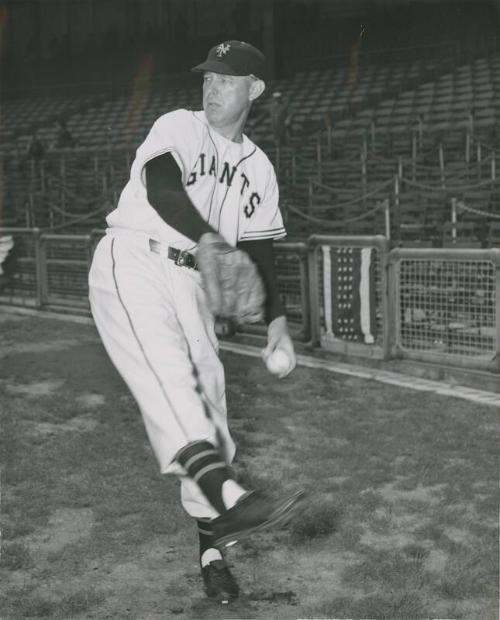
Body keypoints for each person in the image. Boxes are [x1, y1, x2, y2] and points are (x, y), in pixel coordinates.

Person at [88, 40, 305, 603]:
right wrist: (208, 234)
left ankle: (213, 549)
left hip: (190, 282)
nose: (212, 87)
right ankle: (230, 497)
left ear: (254, 89)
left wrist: (277, 323)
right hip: (134, 257)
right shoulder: (178, 126)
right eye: (209, 76)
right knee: (169, 380)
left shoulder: (259, 169)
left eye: (228, 79)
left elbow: (261, 253)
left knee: (210, 408)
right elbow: (161, 186)